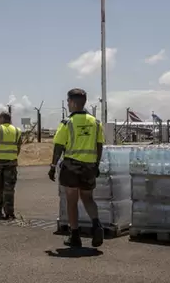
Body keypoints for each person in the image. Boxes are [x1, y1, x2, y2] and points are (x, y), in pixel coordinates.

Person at [48, 88, 105, 248]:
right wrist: (96, 164)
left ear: (72, 102)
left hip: (71, 165)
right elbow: (99, 145)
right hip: (89, 166)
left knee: (72, 201)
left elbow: (58, 146)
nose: (67, 104)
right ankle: (96, 225)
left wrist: (52, 166)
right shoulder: (95, 122)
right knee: (88, 198)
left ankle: (75, 236)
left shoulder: (67, 122)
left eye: (68, 101)